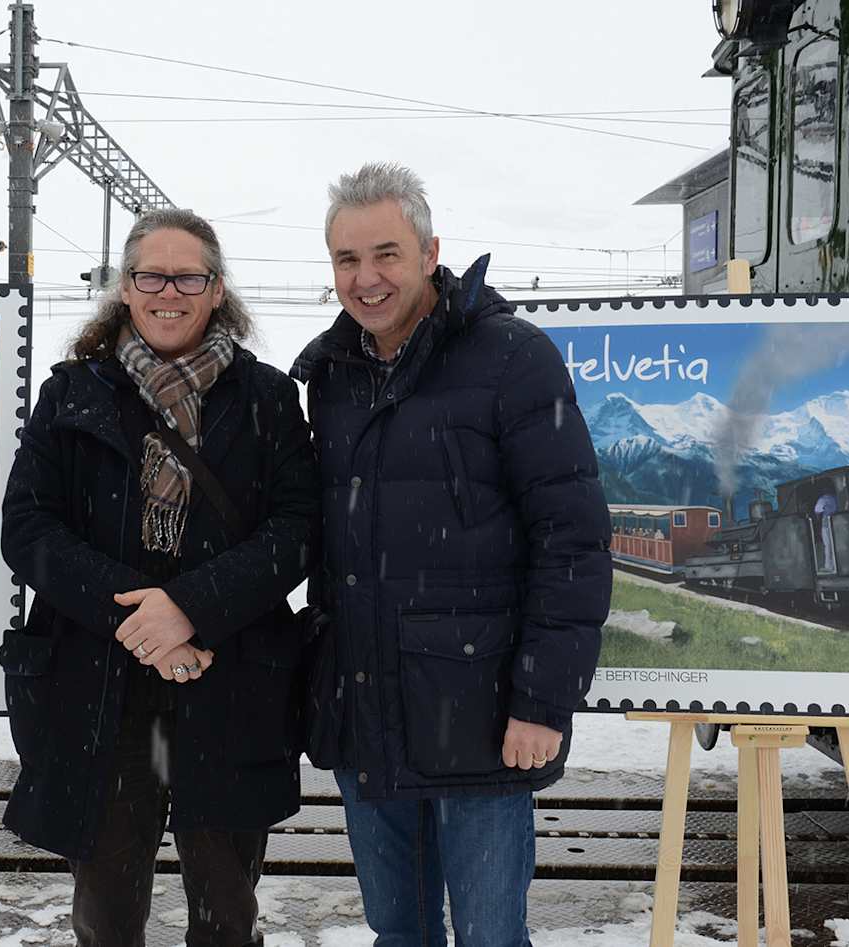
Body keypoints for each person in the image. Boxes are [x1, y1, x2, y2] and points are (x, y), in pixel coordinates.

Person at [290, 163, 612, 947]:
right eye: (346, 260)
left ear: (432, 252)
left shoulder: (512, 358)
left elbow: (571, 538)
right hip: (369, 712)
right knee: (398, 932)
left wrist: (543, 701)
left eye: (387, 254)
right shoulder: (329, 376)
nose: (367, 279)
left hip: (482, 715)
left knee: (490, 937)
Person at [0, 208, 318, 947]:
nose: (167, 291)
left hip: (231, 680)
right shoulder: (72, 393)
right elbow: (30, 529)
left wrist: (192, 608)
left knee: (226, 913)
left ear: (215, 289)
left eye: (188, 276)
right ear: (125, 287)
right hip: (100, 693)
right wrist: (144, 625)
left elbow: (299, 530)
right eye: (150, 274)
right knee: (106, 916)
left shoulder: (268, 398)